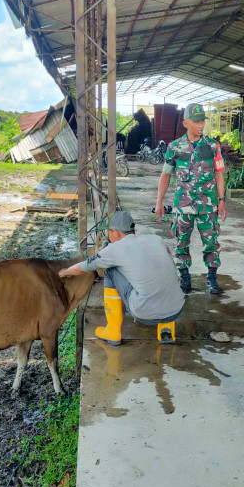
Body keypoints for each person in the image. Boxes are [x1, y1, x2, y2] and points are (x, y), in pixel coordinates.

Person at [59, 211, 184, 345]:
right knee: (157, 274)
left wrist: (65, 273)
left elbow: (83, 267)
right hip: (176, 309)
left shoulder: (115, 249)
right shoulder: (156, 239)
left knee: (111, 271)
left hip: (145, 313)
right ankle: (166, 329)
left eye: (109, 232)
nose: (108, 236)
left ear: (116, 233)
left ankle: (112, 332)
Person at [156, 103, 227, 294]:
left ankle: (211, 278)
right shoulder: (175, 147)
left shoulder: (212, 146)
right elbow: (166, 175)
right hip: (183, 205)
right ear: (185, 122)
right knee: (181, 242)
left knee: (211, 242)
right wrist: (159, 202)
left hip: (207, 205)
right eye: (196, 121)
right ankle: (184, 277)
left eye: (202, 120)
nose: (200, 125)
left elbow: (219, 174)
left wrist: (222, 200)